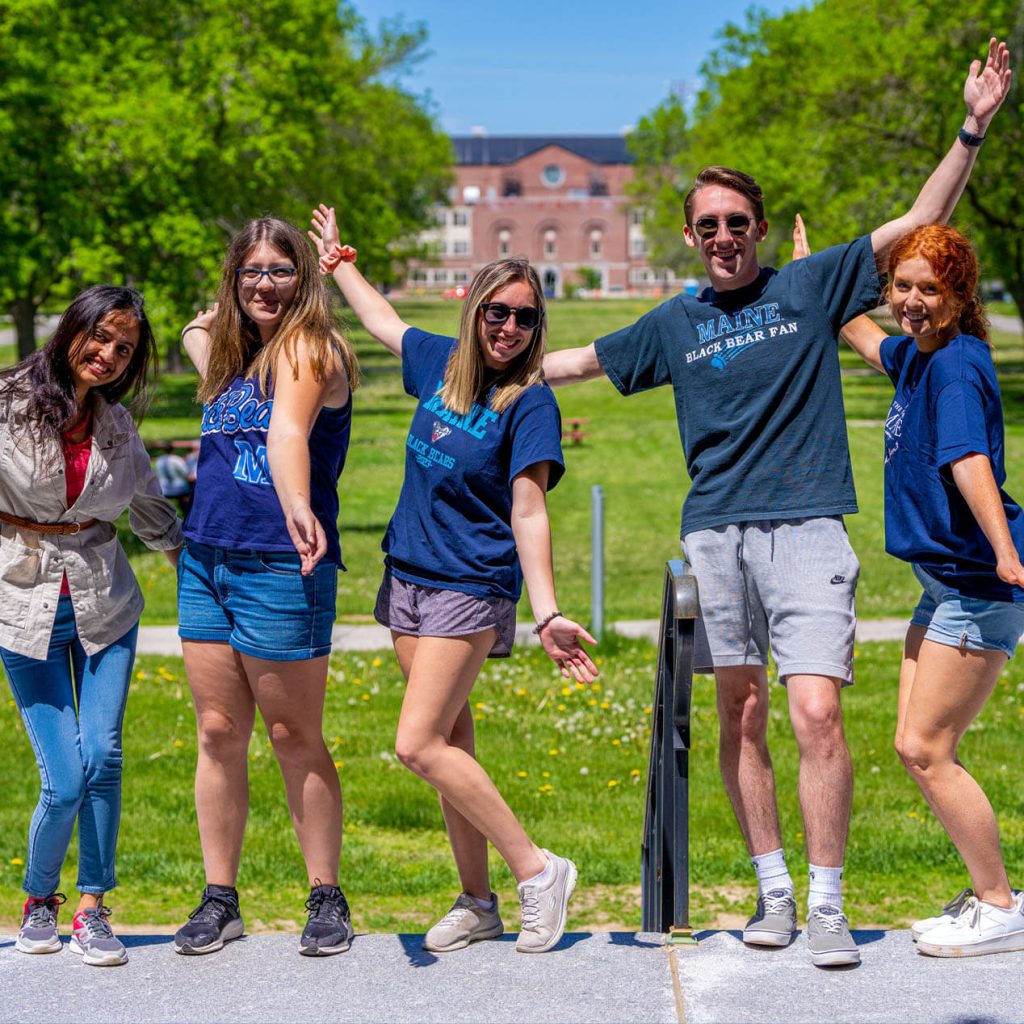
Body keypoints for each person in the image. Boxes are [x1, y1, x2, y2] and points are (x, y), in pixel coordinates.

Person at [542, 39, 1012, 966]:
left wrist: (972, 125)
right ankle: (775, 896)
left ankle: (831, 906)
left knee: (817, 715)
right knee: (741, 716)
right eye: (708, 224)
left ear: (759, 230)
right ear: (692, 234)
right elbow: (578, 363)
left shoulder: (806, 285)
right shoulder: (674, 323)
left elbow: (922, 215)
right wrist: (481, 371)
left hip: (806, 532)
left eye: (738, 222)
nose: (724, 236)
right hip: (714, 536)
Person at [310, 204, 597, 953]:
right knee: (451, 741)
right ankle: (478, 901)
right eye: (496, 312)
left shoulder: (529, 401)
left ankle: (539, 871)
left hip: (470, 585)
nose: (508, 328)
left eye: (525, 319)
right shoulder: (440, 364)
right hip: (407, 576)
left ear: (538, 329)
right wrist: (342, 268)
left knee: (416, 744)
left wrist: (548, 611)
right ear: (474, 312)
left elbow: (528, 509)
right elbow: (384, 323)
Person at [819, 222, 1024, 957]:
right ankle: (991, 893)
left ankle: (1000, 905)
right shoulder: (918, 356)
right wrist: (824, 273)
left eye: (928, 289)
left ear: (960, 294)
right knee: (916, 747)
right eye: (901, 286)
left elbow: (969, 459)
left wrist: (1005, 552)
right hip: (941, 586)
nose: (909, 301)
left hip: (976, 585)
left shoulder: (956, 368)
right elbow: (867, 337)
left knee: (926, 746)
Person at [173, 217, 358, 958]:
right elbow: (195, 336)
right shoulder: (226, 357)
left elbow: (286, 434)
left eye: (281, 269)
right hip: (206, 561)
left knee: (292, 736)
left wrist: (296, 506)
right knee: (218, 734)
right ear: (234, 279)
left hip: (284, 565)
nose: (265, 283)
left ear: (303, 278)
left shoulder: (313, 349)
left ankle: (326, 896)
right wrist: (202, 320)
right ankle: (221, 898)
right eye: (250, 271)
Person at [0, 286, 183, 967]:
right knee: (67, 776)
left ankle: (93, 908)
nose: (107, 355)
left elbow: (148, 506)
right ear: (72, 328)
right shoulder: (8, 404)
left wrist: (191, 569)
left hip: (105, 601)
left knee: (104, 756)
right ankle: (38, 901)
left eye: (124, 348)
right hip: (23, 602)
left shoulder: (116, 425)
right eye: (99, 337)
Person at [154, 441, 194, 514]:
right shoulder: (177, 459)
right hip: (179, 489)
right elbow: (185, 474)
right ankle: (187, 514)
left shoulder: (159, 460)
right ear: (173, 450)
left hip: (164, 490)